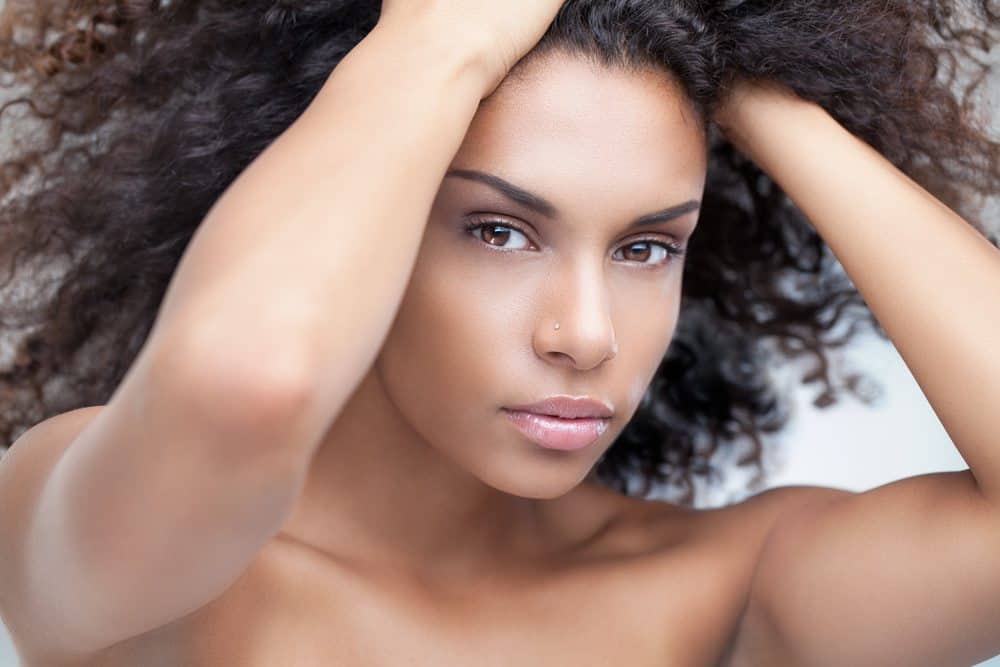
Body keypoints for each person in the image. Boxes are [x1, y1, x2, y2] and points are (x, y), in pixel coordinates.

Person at [0, 0, 999, 664]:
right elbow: (244, 384)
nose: (586, 334)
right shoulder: (123, 549)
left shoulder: (716, 590)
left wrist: (751, 80)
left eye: (647, 246)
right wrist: (430, 41)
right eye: (498, 229)